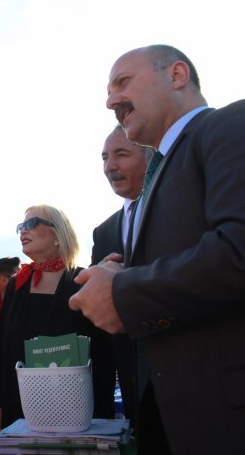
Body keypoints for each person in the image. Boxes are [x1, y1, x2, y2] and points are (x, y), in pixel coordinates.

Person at [69, 44, 245, 455]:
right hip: (187, 421)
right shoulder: (161, 175)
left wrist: (124, 293)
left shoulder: (242, 122)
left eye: (122, 83)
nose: (111, 101)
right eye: (108, 91)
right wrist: (123, 275)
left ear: (177, 75)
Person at [0, 205, 116, 431]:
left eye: (31, 224)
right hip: (20, 408)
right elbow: (1, 347)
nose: (23, 231)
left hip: (76, 411)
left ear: (58, 234)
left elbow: (103, 352)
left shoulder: (83, 280)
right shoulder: (17, 284)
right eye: (21, 226)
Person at [91, 125, 152, 422]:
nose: (109, 166)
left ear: (150, 159)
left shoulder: (177, 210)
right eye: (105, 158)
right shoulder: (103, 232)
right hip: (130, 379)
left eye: (121, 154)